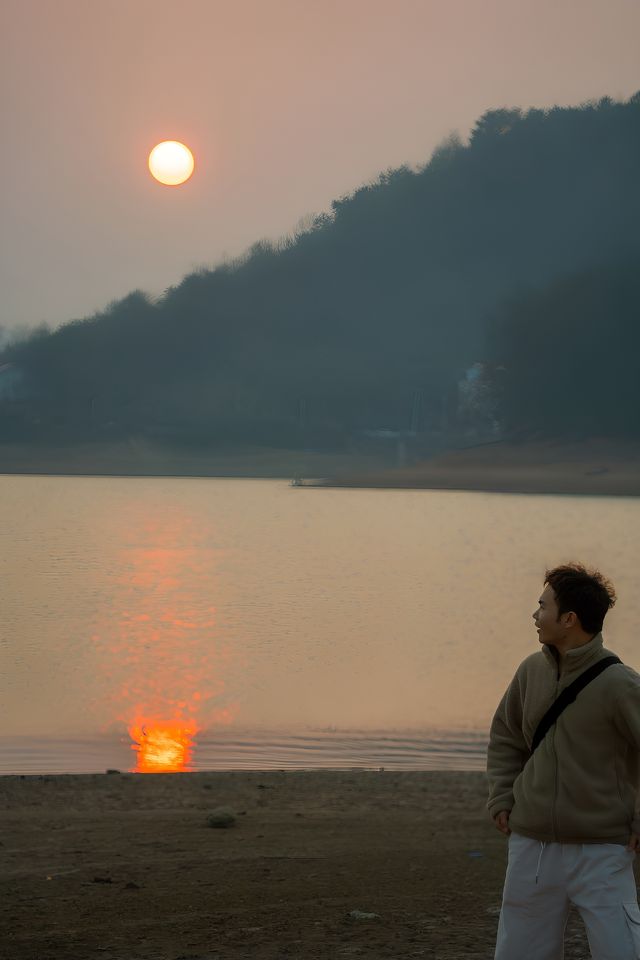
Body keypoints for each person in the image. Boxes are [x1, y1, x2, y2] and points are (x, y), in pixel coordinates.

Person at [487, 563, 640, 959]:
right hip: (531, 844)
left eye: (543, 607)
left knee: (621, 950)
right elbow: (506, 736)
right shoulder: (530, 671)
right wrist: (502, 796)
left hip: (602, 848)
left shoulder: (619, 683)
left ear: (569, 619)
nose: (535, 615)